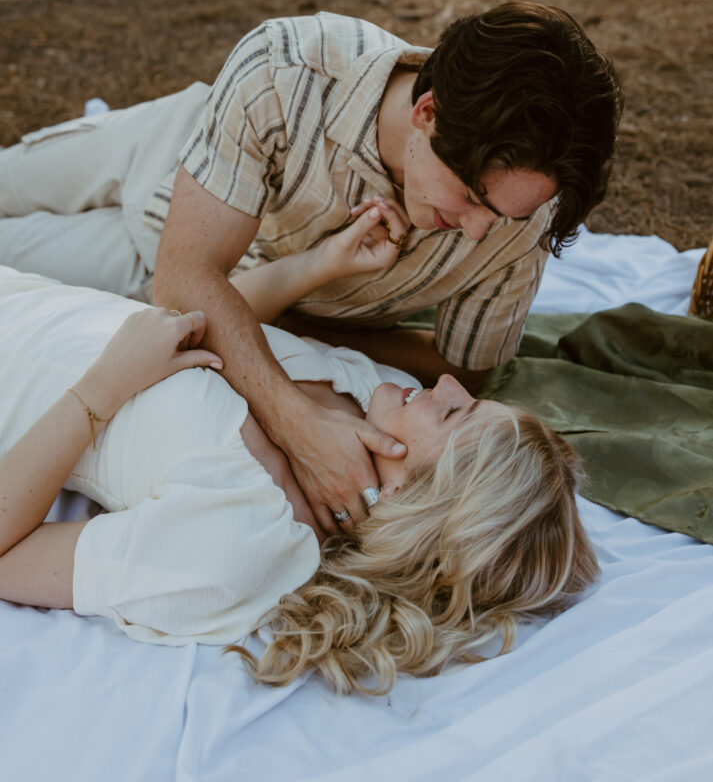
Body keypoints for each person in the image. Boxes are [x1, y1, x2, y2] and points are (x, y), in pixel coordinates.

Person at [0, 2, 622, 533]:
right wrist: (300, 424)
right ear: (428, 115)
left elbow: (465, 366)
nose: (482, 231)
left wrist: (283, 321)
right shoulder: (287, 65)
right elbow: (188, 276)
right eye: (473, 199)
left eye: (507, 216)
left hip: (150, 292)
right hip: (165, 159)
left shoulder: (523, 218)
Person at [0, 214, 598, 694]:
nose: (446, 385)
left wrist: (102, 388)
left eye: (453, 412)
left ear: (410, 499)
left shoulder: (240, 543)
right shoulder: (367, 396)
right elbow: (214, 327)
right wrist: (315, 268)